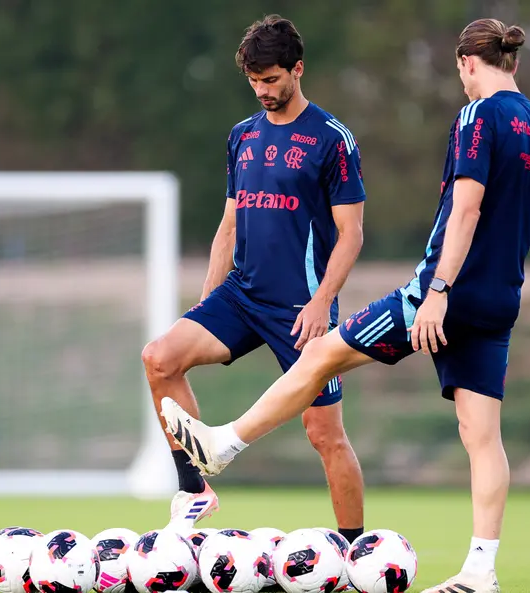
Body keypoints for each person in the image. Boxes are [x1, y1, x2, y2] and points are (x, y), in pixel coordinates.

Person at [160, 18, 530, 593]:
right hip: (500, 299)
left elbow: (466, 211)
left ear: (468, 63)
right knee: (482, 437)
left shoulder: (478, 115)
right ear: (512, 61)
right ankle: (480, 572)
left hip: (441, 295)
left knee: (320, 353)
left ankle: (224, 444)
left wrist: (439, 292)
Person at [141, 14, 368, 542]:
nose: (263, 90)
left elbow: (351, 233)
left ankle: (358, 550)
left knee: (325, 434)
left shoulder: (332, 139)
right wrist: (205, 303)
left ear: (297, 69)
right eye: (254, 81)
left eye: (271, 79)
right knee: (160, 357)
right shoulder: (241, 137)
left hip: (301, 309)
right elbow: (228, 226)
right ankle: (196, 492)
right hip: (242, 295)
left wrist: (321, 303)